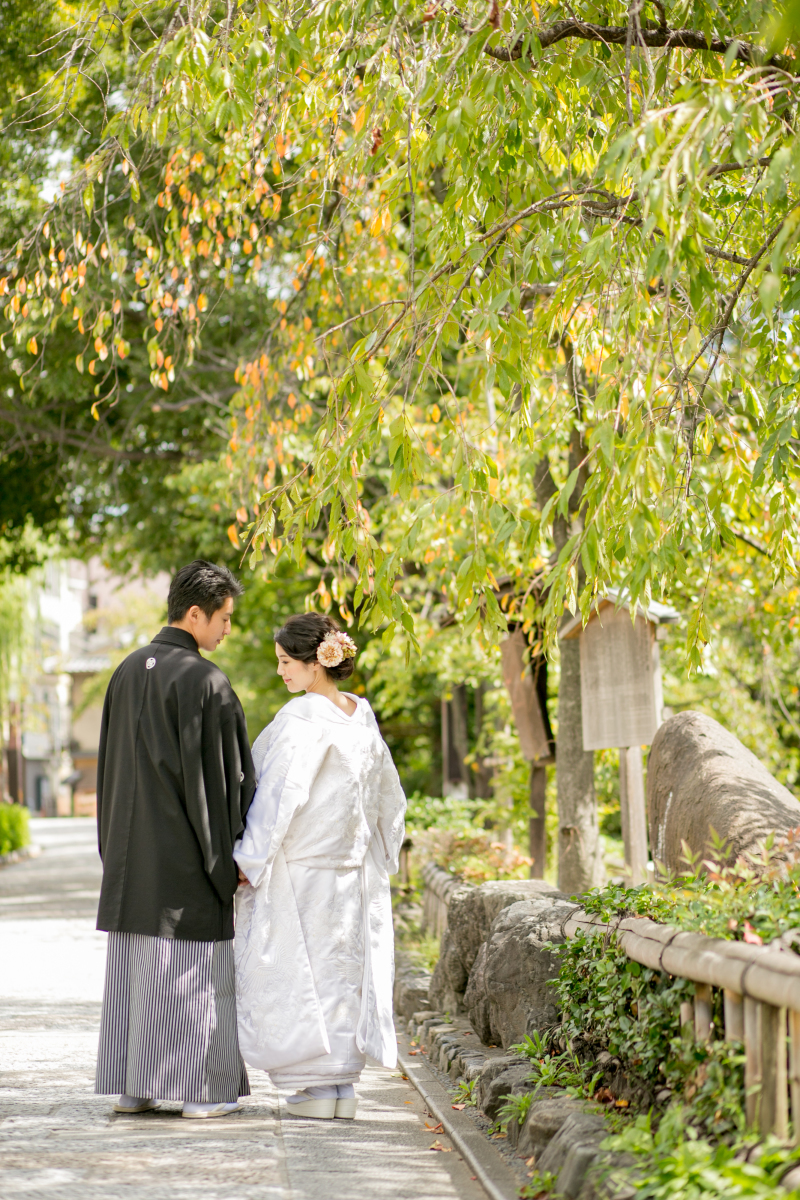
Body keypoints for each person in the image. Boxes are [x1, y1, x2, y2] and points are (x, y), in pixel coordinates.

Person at [94, 560, 256, 1118]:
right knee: (193, 975)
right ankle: (202, 1093)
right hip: (185, 862)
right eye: (225, 618)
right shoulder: (204, 681)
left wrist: (111, 848)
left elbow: (108, 772)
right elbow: (226, 780)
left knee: (137, 975)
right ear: (195, 614)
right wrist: (232, 854)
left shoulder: (126, 670)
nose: (227, 630)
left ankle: (134, 1086)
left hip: (128, 857)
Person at [233, 613, 406, 1120]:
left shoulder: (302, 718)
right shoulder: (362, 714)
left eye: (287, 663)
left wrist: (250, 857)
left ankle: (313, 1088)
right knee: (343, 973)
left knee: (297, 972)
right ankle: (342, 1089)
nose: (282, 673)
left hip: (302, 868)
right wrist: (382, 848)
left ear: (315, 665)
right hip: (350, 869)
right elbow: (387, 794)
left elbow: (278, 795)